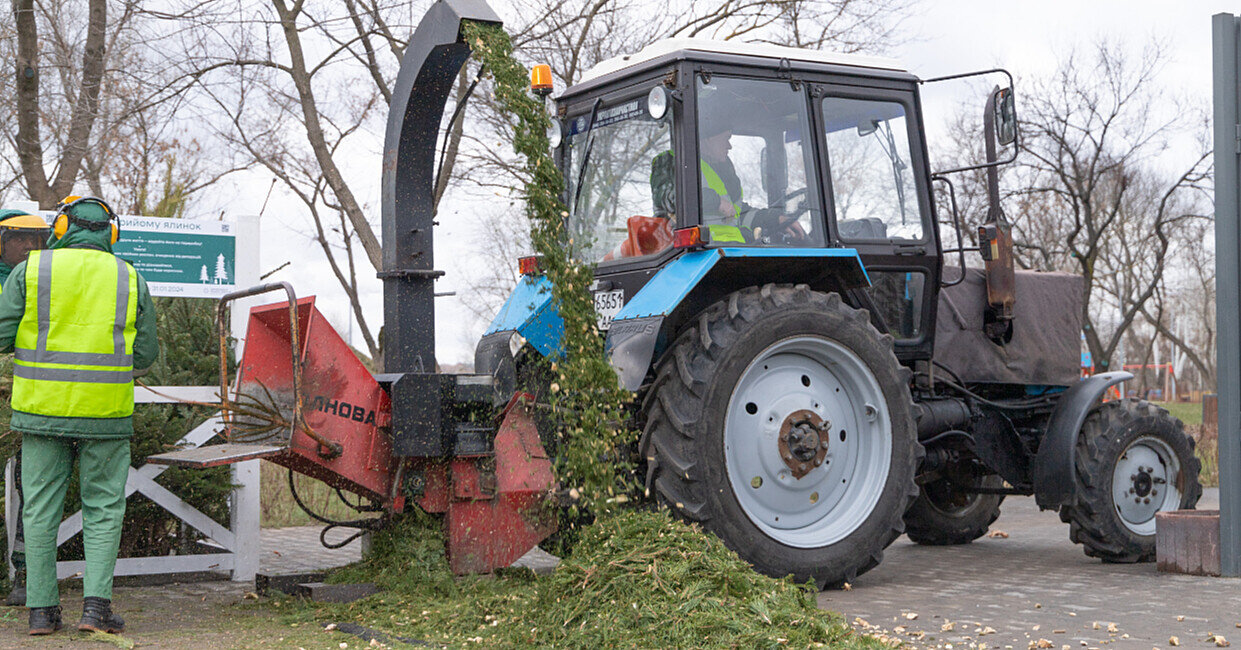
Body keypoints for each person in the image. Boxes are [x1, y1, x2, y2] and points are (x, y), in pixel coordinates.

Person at [0, 196, 159, 636]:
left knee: (39, 511)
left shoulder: (31, 270)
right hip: (106, 416)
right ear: (112, 233)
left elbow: (0, 334)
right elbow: (146, 354)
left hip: (40, 412)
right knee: (104, 509)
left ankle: (41, 612)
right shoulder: (129, 277)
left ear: (61, 227)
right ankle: (95, 611)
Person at [0, 209, 51, 606]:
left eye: (36, 240)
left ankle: (28, 576)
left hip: (36, 398)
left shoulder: (45, 281)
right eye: (19, 240)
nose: (29, 247)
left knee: (31, 489)